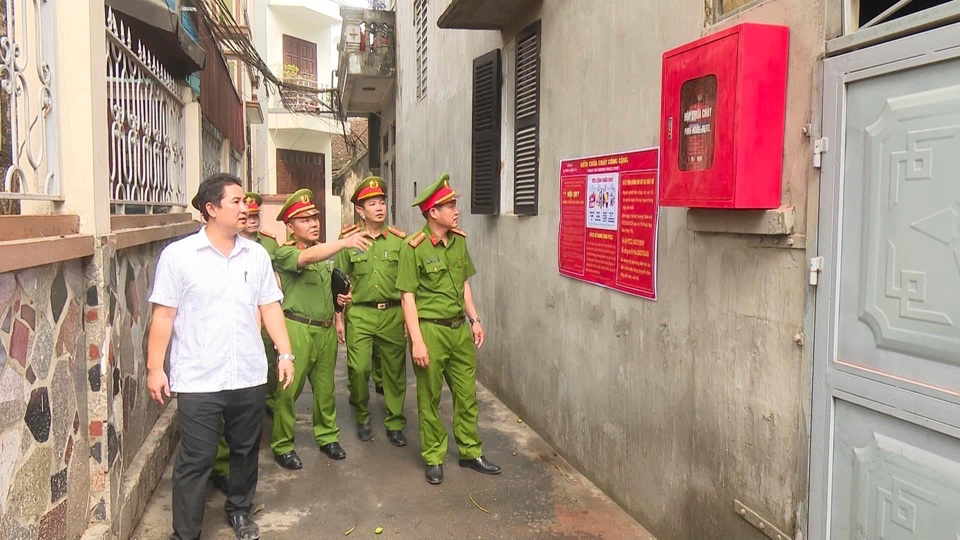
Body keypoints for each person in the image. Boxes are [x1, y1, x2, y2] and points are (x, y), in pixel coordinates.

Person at [146, 173, 295, 540]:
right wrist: (155, 368)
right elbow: (163, 315)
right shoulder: (179, 257)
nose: (245, 208)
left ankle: (240, 510)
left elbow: (270, 307)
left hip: (248, 374)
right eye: (236, 201)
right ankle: (186, 532)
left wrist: (285, 353)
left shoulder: (256, 254)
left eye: (245, 202)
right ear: (211, 209)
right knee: (196, 460)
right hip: (200, 378)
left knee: (246, 451)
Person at [396, 174, 501, 485]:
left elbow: (464, 284)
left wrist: (475, 319)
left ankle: (470, 452)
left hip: (458, 331)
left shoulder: (458, 242)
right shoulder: (413, 248)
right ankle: (433, 456)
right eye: (450, 205)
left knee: (467, 395)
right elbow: (407, 297)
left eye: (454, 204)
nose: (456, 210)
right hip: (430, 331)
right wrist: (416, 341)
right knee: (429, 397)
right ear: (433, 212)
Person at [270, 188, 372, 469]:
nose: (314, 223)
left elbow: (329, 291)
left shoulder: (324, 257)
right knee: (289, 390)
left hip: (325, 330)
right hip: (297, 330)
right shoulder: (285, 253)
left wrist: (339, 311)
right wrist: (345, 242)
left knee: (326, 389)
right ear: (290, 227)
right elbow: (307, 259)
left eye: (315, 217)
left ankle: (327, 436)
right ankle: (282, 444)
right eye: (304, 220)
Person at [209, 192, 282, 494]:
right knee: (223, 409)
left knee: (259, 392)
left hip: (263, 329)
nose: (249, 219)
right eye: (244, 212)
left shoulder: (266, 249)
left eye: (254, 215)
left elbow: (272, 297)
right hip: (223, 341)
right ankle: (222, 468)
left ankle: (241, 489)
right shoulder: (207, 251)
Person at [335, 177, 408, 446]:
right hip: (361, 315)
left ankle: (395, 421)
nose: (379, 208)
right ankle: (363, 416)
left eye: (382, 202)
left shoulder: (401, 242)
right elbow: (339, 281)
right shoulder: (349, 240)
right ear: (360, 210)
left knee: (394, 371)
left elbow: (407, 285)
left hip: (392, 314)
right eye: (372, 203)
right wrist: (338, 318)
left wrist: (408, 321)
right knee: (359, 368)